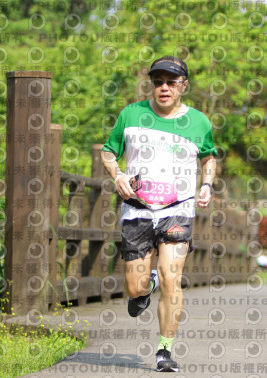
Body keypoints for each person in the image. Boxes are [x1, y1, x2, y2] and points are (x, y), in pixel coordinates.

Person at [101, 56, 216, 373]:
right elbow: (108, 151)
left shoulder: (199, 122)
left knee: (172, 276)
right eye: (158, 81)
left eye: (171, 81)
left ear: (184, 86)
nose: (163, 87)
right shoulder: (132, 114)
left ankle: (165, 350)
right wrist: (118, 175)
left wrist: (206, 184)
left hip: (178, 209)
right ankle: (144, 288)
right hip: (137, 209)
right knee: (136, 286)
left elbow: (208, 158)